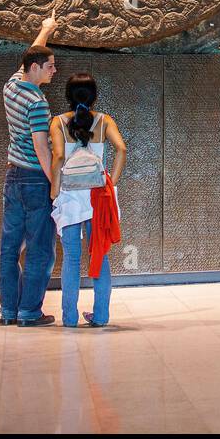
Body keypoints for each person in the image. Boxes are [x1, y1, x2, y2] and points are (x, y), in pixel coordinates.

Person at [50, 73, 126, 327]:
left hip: (70, 198)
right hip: (98, 196)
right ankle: (101, 316)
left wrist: (54, 191)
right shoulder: (104, 121)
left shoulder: (58, 122)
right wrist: (111, 181)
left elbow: (58, 157)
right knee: (100, 255)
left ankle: (69, 318)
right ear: (94, 96)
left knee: (71, 258)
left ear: (67, 96)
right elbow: (122, 149)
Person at [0, 14, 58, 327]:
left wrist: (45, 30)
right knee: (39, 250)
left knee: (9, 249)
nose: (54, 70)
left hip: (13, 178)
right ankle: (29, 312)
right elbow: (41, 147)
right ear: (35, 68)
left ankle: (8, 312)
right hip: (35, 179)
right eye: (50, 65)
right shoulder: (38, 102)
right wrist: (54, 183)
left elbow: (30, 54)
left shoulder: (11, 87)